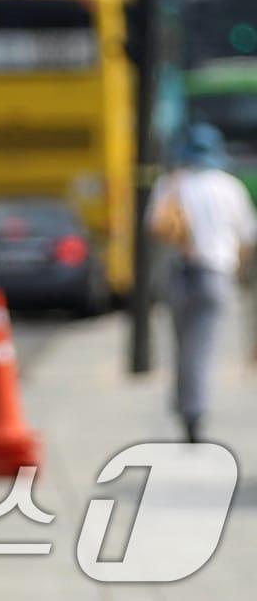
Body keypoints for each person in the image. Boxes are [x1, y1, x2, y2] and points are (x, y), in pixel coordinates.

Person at [145, 121, 257, 443]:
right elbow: (247, 236)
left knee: (183, 346)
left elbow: (154, 226)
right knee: (203, 348)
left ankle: (184, 408)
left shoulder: (171, 183)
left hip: (179, 273)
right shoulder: (229, 186)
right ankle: (195, 412)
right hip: (216, 273)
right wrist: (239, 271)